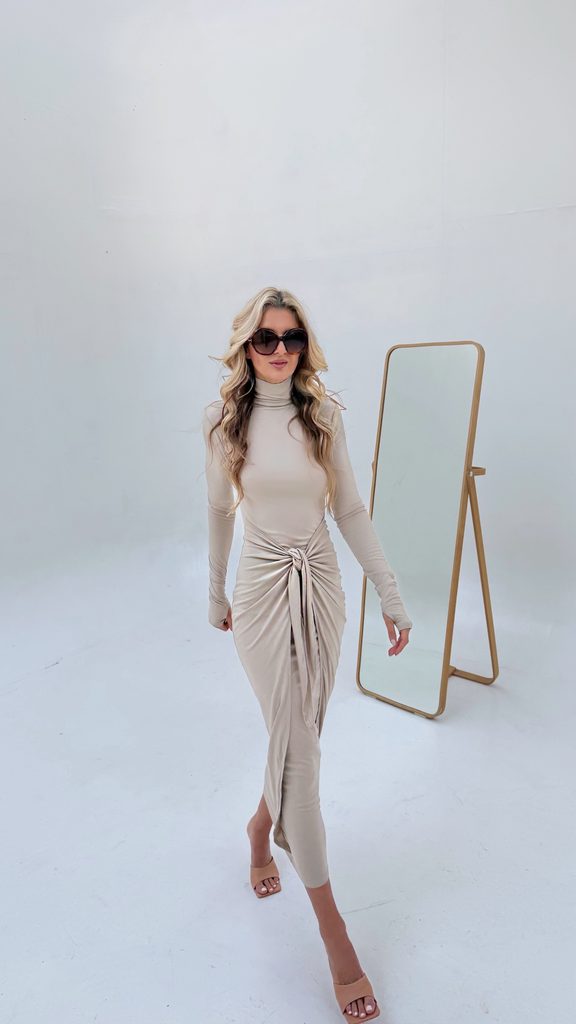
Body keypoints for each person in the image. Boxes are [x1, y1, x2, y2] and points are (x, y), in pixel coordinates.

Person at [202, 286, 412, 1020]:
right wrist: (213, 591)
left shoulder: (323, 416)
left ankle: (261, 827)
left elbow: (348, 508)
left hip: (321, 586)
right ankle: (335, 936)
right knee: (299, 752)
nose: (281, 350)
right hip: (261, 591)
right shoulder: (224, 421)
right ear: (246, 346)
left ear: (305, 345)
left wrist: (388, 592)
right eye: (266, 338)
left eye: (292, 338)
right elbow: (219, 509)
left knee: (301, 739)